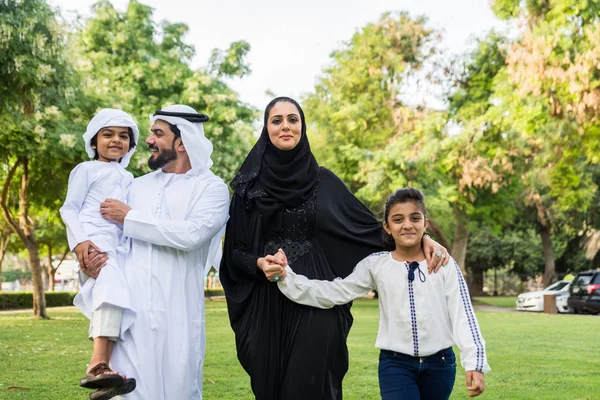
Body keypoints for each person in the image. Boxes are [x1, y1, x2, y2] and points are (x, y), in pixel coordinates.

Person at [219, 97, 450, 400]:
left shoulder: (323, 181)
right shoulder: (248, 187)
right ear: (266, 128)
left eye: (293, 119)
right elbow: (234, 252)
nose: (285, 126)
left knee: (312, 384)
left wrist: (422, 240)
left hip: (318, 299)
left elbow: (371, 229)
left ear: (302, 127)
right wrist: (260, 264)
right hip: (268, 301)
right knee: (270, 389)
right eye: (276, 120)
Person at [277, 188, 490, 400]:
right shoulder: (376, 265)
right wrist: (287, 278)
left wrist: (475, 363)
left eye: (415, 218)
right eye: (398, 219)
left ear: (425, 224)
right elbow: (336, 291)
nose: (407, 225)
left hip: (441, 363)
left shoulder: (442, 264)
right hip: (395, 365)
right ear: (387, 227)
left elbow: (463, 314)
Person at [80, 105, 230, 399]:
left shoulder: (212, 189)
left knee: (178, 391)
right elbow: (104, 232)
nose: (148, 140)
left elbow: (192, 234)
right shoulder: (135, 186)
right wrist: (89, 258)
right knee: (129, 393)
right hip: (132, 315)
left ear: (183, 141)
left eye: (157, 134)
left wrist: (130, 217)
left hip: (179, 315)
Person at [60, 109, 139, 400]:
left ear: (131, 144)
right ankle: (97, 365)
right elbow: (69, 209)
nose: (116, 140)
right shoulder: (85, 170)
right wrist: (80, 243)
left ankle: (107, 383)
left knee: (115, 303)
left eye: (123, 136)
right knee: (111, 292)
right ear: (94, 141)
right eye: (108, 134)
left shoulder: (130, 177)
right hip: (95, 250)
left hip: (119, 252)